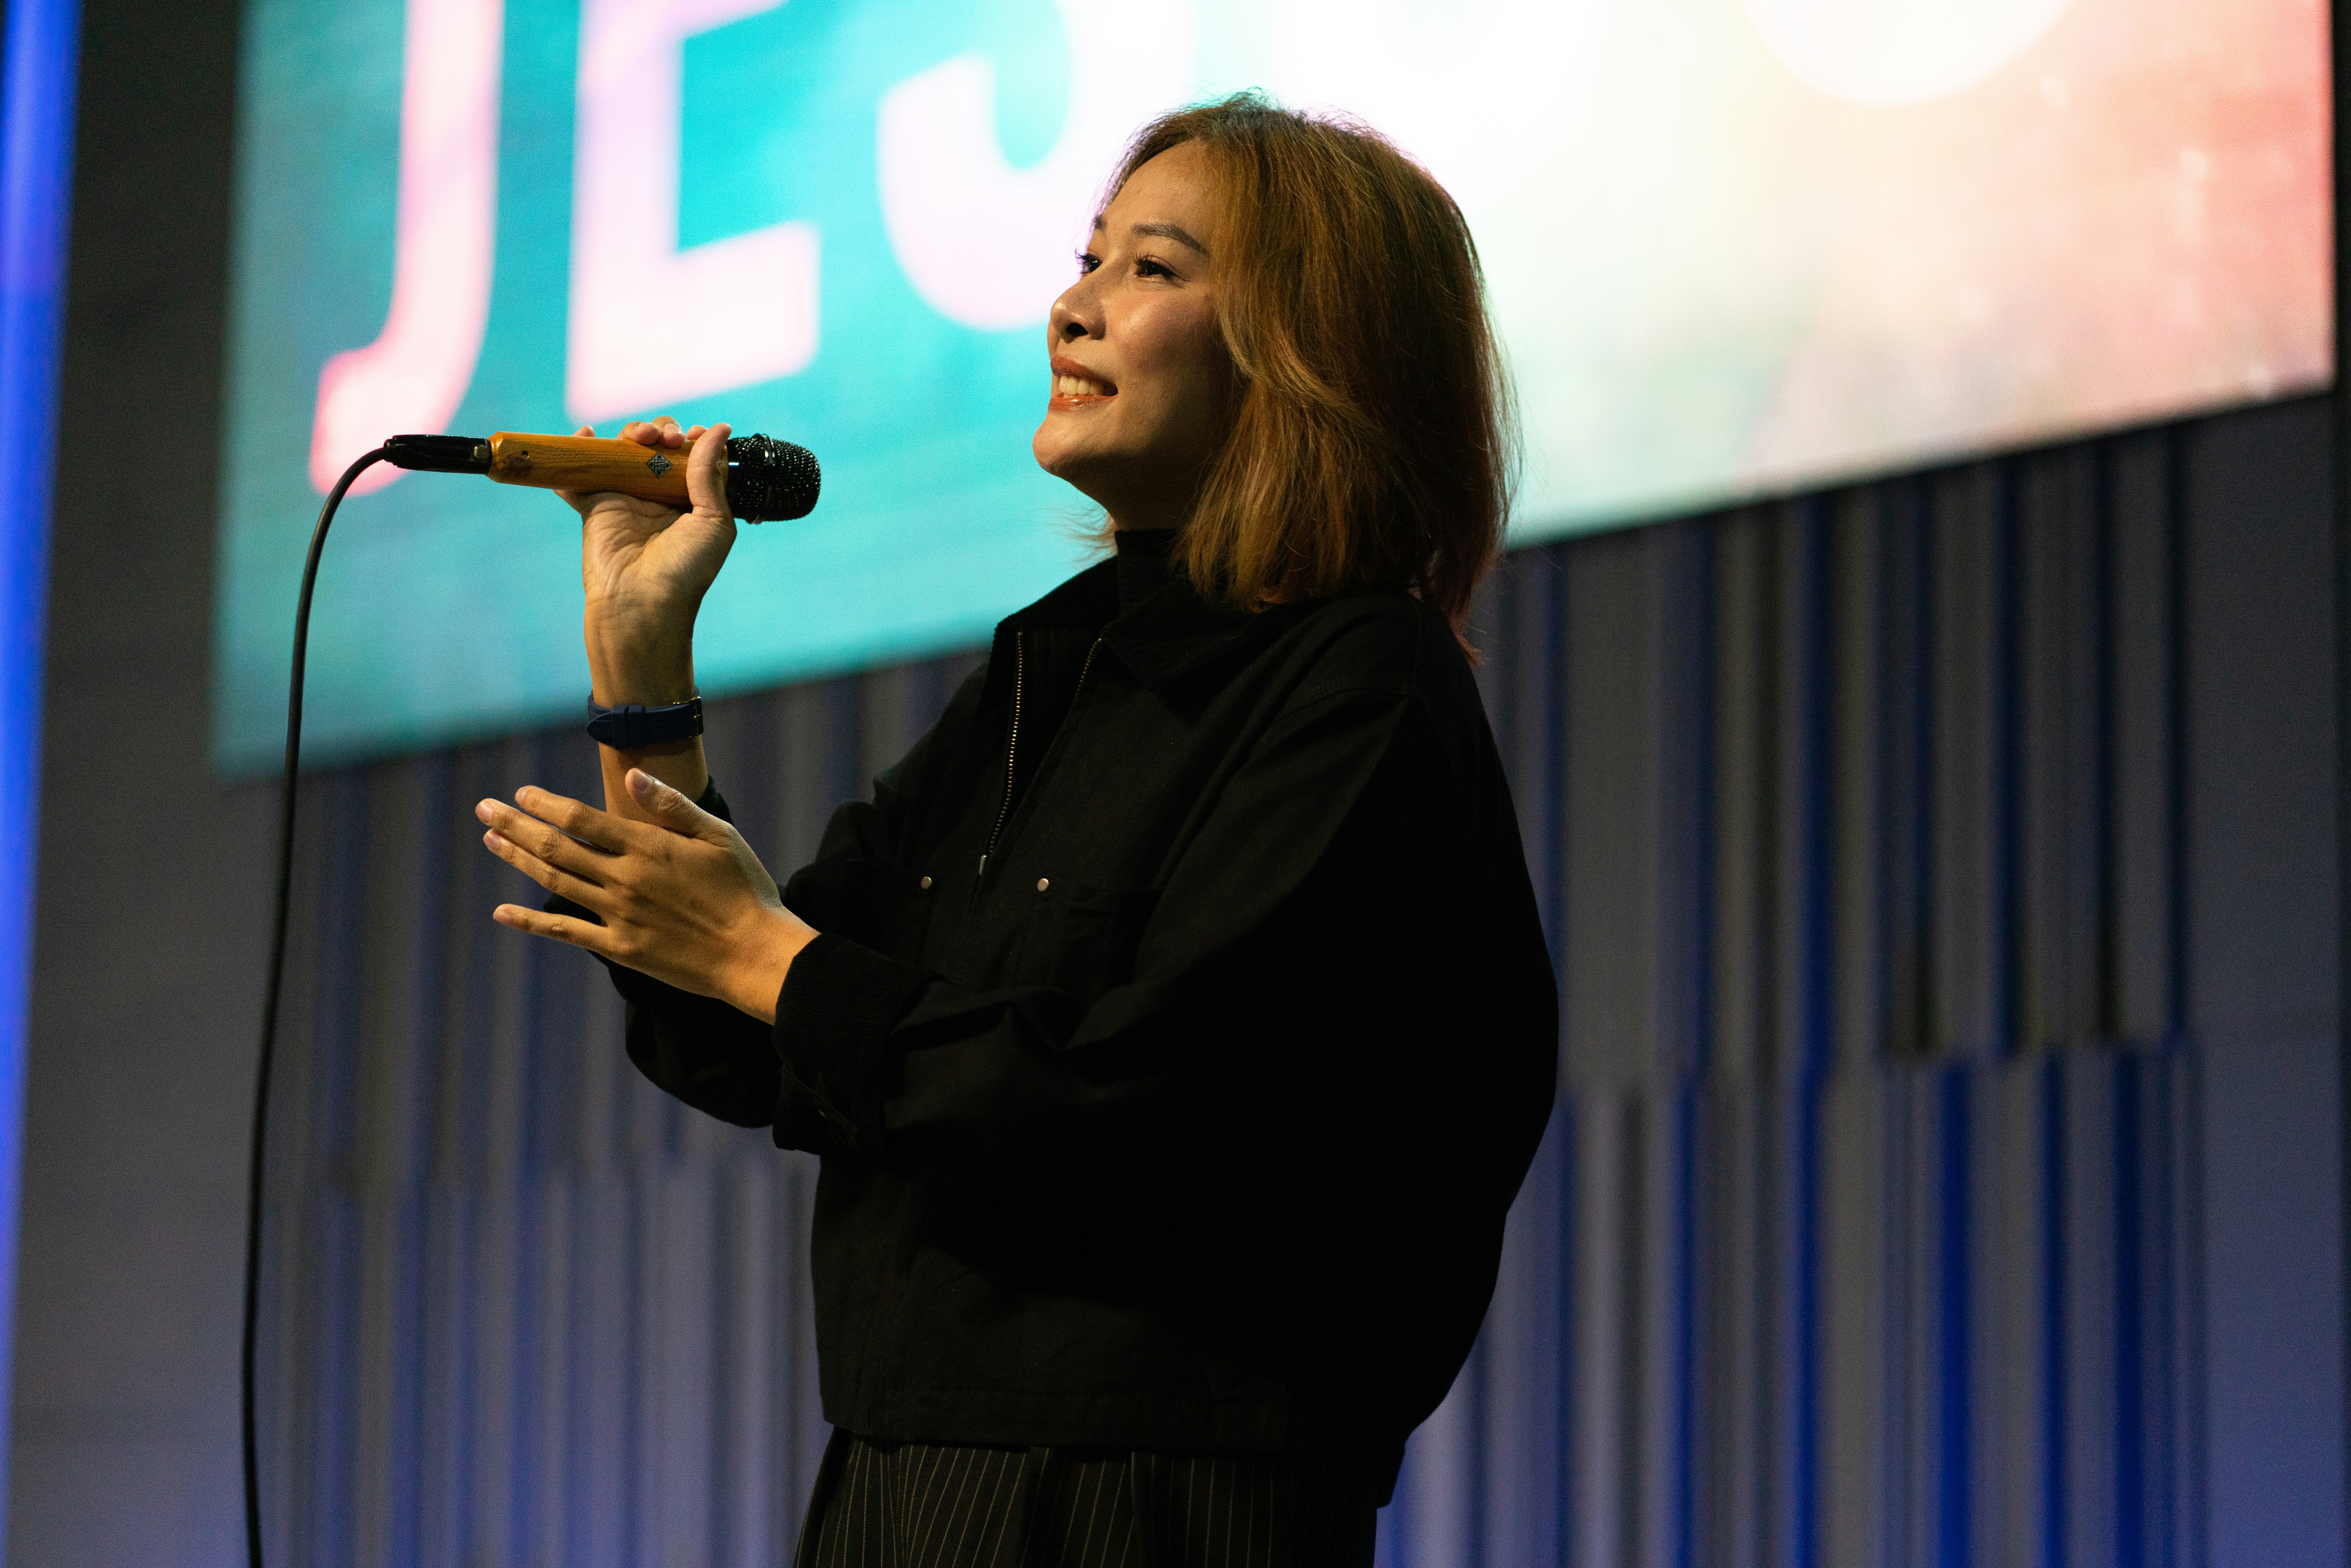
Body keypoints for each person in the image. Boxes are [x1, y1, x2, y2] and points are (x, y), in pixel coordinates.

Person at [473, 93, 1557, 1568]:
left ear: (1314, 352)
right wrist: (641, 678)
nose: (1071, 306)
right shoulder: (1044, 673)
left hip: (1152, 1500)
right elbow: (742, 1039)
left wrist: (767, 959)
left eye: (1150, 270)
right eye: (1087, 258)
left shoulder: (1360, 689)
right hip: (894, 1474)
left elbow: (1142, 1107)